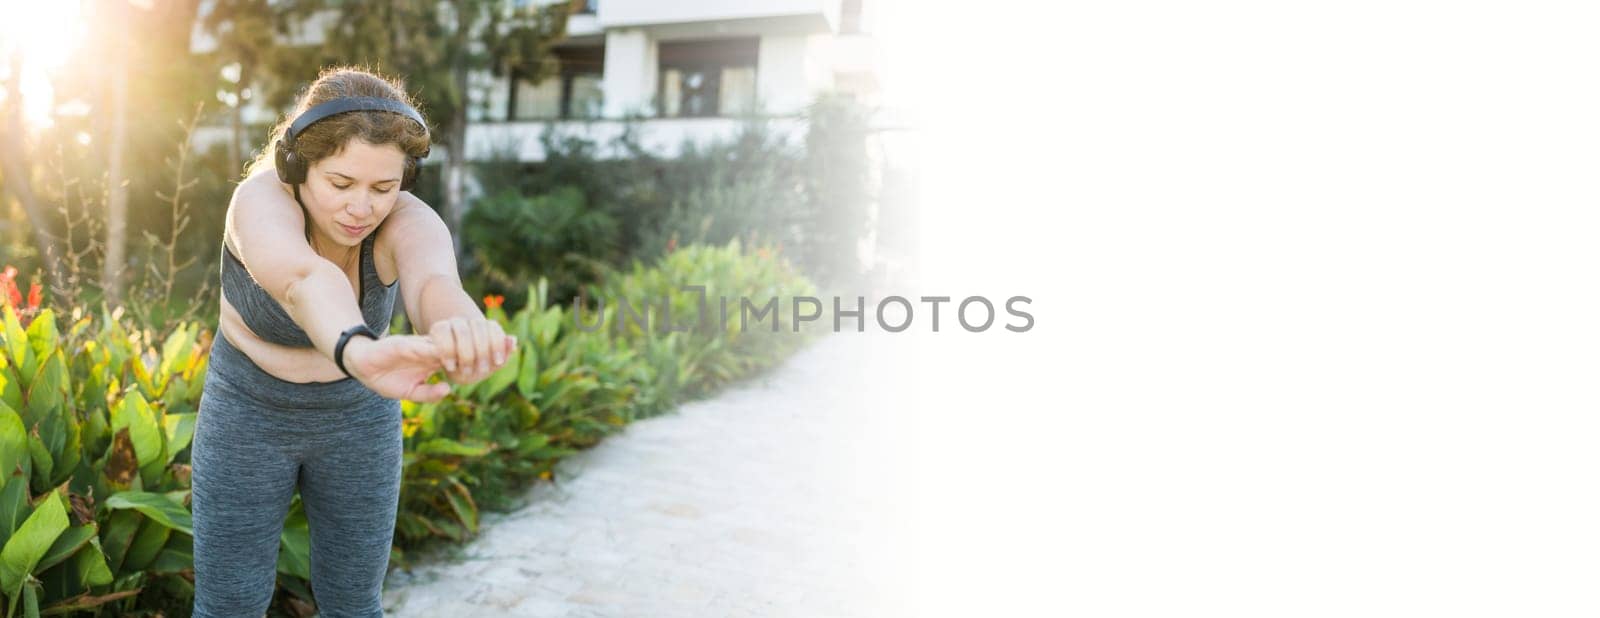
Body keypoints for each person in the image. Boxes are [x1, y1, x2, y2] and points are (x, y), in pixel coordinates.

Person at [190, 66, 515, 617]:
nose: (362, 208)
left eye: (383, 188)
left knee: (354, 603)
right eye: (341, 184)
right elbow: (303, 280)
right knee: (230, 605)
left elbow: (436, 283)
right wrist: (357, 349)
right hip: (248, 413)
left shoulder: (405, 220)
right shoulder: (260, 202)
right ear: (298, 166)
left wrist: (459, 329)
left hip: (359, 422)